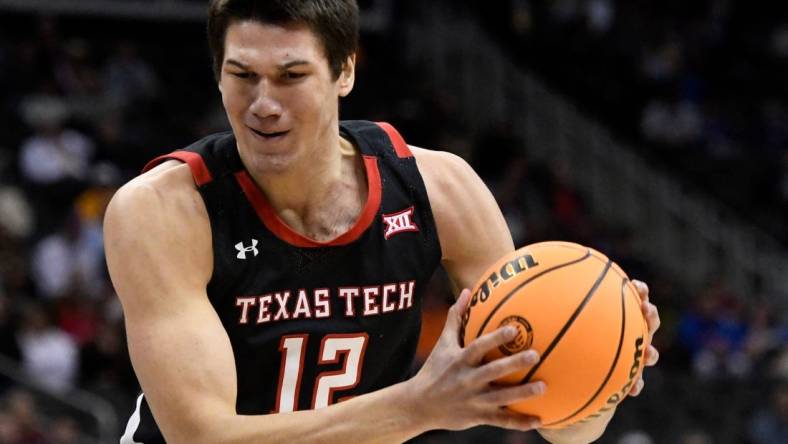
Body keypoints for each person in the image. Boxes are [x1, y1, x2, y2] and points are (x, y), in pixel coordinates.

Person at [104, 1, 661, 443]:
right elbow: (204, 439)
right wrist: (416, 406)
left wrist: (602, 376)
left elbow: (555, 421)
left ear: (345, 70)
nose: (263, 103)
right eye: (242, 75)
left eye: (291, 75)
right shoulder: (162, 210)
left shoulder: (441, 189)